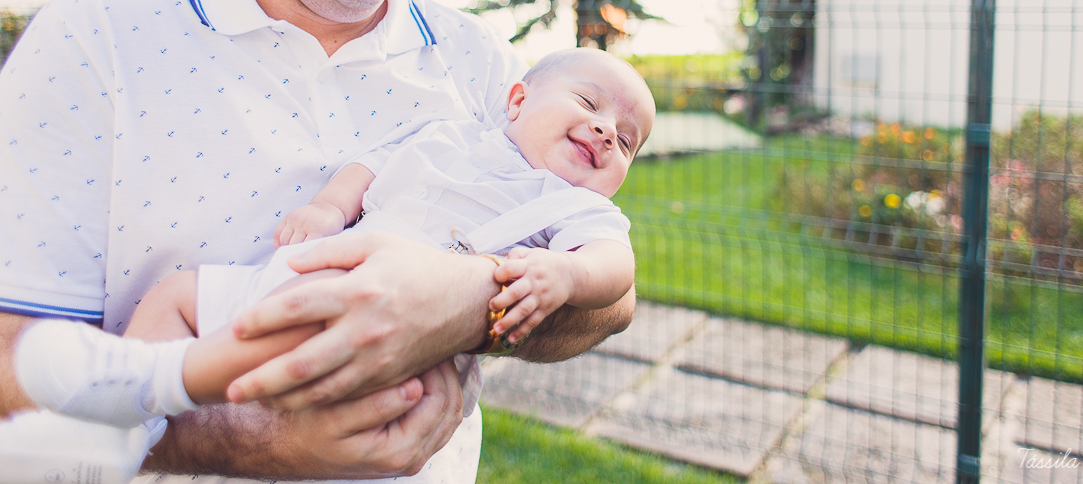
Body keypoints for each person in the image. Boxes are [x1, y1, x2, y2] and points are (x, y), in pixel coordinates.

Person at [0, 0, 633, 484]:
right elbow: (12, 365)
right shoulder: (92, 41)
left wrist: (469, 300)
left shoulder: (479, 61)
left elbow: (608, 304)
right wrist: (254, 443)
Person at [12, 48, 653, 478]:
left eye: (626, 141)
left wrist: (565, 274)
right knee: (177, 296)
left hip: (399, 343)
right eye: (588, 104)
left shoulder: (566, 206)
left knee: (328, 385)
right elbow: (369, 169)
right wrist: (326, 208)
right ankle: (123, 415)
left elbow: (615, 269)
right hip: (309, 273)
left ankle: (141, 404)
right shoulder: (451, 135)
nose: (604, 132)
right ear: (516, 101)